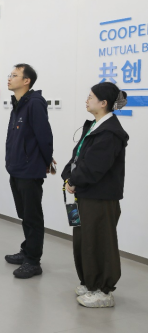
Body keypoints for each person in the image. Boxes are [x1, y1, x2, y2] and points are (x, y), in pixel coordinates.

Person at [61, 83, 128, 308]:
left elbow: (95, 167)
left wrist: (74, 180)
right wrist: (68, 177)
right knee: (84, 240)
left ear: (103, 103)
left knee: (99, 241)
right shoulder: (93, 126)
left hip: (100, 197)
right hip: (85, 193)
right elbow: (77, 156)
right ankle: (89, 282)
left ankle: (103, 290)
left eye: (91, 97)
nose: (86, 100)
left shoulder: (110, 133)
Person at [4, 63, 55, 279]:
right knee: (24, 214)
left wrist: (46, 161)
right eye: (10, 74)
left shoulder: (34, 103)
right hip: (16, 168)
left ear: (26, 81)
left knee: (32, 217)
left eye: (14, 75)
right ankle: (27, 251)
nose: (9, 78)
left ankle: (33, 261)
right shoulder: (18, 103)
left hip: (29, 169)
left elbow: (45, 135)